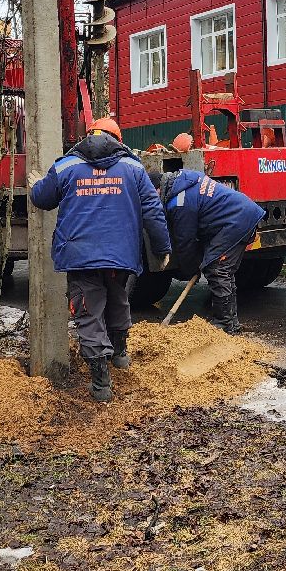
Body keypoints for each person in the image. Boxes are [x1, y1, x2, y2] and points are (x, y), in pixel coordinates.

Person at [30, 116, 170, 401]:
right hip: (121, 254)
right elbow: (153, 210)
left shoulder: (66, 165)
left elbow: (43, 198)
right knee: (118, 298)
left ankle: (101, 383)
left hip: (81, 255)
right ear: (118, 140)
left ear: (88, 135)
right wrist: (162, 248)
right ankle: (120, 355)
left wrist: (36, 186)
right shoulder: (133, 167)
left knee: (89, 313)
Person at [155, 166, 264, 334]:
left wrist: (190, 269)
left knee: (218, 270)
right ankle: (231, 323)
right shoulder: (184, 182)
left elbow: (185, 242)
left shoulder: (180, 201)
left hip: (236, 220)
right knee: (223, 271)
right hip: (239, 215)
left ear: (158, 189)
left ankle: (224, 324)